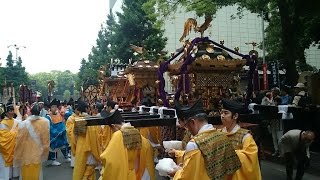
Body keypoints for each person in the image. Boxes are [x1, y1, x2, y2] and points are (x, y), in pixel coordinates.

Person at [169, 99, 241, 180]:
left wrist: (176, 172)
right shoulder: (223, 137)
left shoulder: (194, 144)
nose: (187, 130)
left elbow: (188, 177)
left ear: (193, 122)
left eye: (186, 126)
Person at [99, 109, 155, 180]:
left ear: (114, 126)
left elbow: (110, 162)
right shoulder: (142, 138)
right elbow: (149, 164)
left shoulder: (118, 135)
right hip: (141, 175)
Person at [220, 99, 262, 180]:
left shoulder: (245, 136)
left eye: (226, 113)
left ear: (235, 116)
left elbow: (250, 159)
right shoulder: (218, 134)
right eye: (221, 112)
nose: (222, 115)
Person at [13, 103, 50, 180]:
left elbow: (19, 141)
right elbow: (46, 139)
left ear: (30, 112)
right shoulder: (45, 122)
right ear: (40, 112)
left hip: (25, 153)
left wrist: (18, 153)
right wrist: (44, 151)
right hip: (38, 152)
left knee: (26, 173)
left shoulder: (23, 124)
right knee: (37, 173)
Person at [69, 100, 101, 180]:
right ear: (87, 109)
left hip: (80, 149)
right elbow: (96, 137)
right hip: (90, 150)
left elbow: (73, 137)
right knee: (89, 171)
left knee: (81, 171)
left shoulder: (77, 121)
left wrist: (75, 147)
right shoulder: (92, 121)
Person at [46, 98, 70, 166]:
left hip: (61, 133)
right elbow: (49, 126)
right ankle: (54, 160)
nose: (54, 108)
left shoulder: (59, 114)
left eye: (55, 107)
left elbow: (62, 123)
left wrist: (63, 130)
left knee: (63, 146)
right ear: (50, 108)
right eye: (53, 107)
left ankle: (66, 157)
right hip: (54, 135)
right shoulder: (48, 117)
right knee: (54, 148)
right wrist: (56, 132)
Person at [0, 100, 19, 180]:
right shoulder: (3, 123)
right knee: (6, 169)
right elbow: (4, 138)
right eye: (10, 111)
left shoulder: (16, 121)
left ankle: (14, 176)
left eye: (12, 110)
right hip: (6, 149)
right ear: (6, 113)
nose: (11, 112)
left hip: (15, 147)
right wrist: (15, 133)